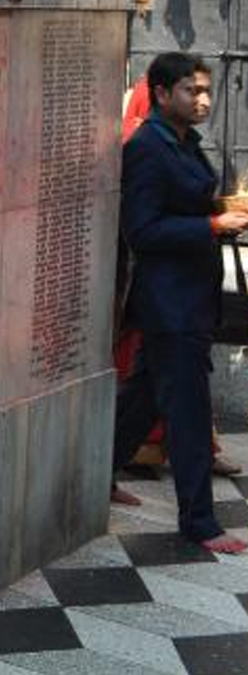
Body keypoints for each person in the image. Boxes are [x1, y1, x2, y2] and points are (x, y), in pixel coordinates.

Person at [111, 52, 248, 552]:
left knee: (144, 393)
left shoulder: (184, 141)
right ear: (162, 93)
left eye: (207, 91)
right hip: (169, 300)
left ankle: (98, 473)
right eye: (193, 91)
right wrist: (212, 226)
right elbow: (142, 230)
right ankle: (199, 522)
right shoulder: (147, 147)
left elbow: (185, 201)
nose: (204, 100)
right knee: (187, 409)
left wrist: (223, 209)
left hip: (187, 294)